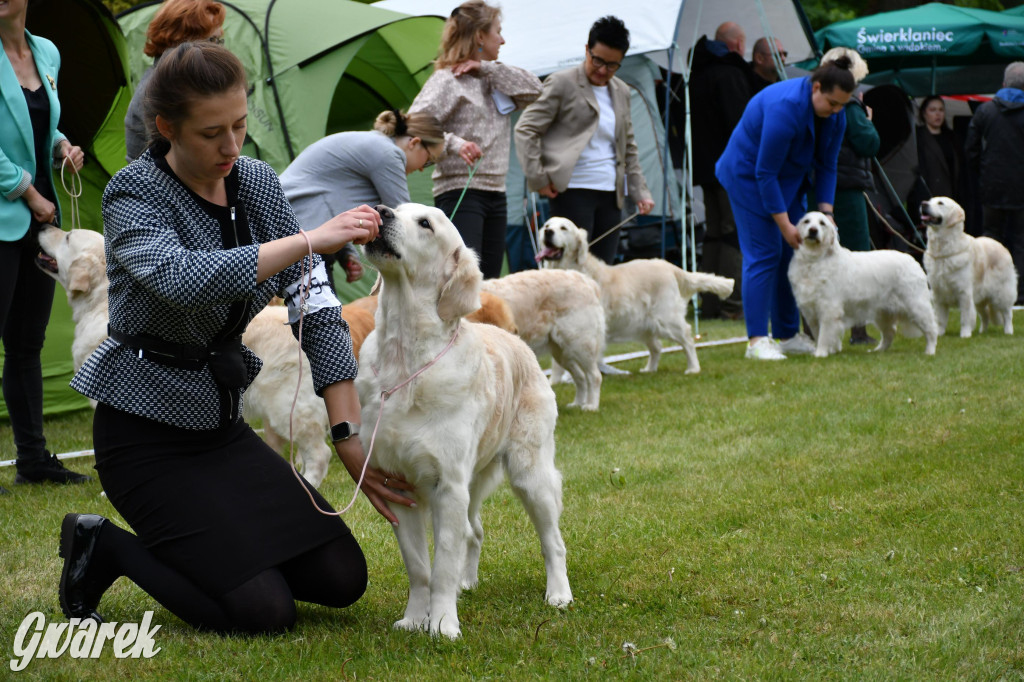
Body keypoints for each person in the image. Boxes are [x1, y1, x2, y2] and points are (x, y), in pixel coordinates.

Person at [58, 42, 415, 634]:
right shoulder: (131, 193)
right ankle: (107, 548)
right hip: (144, 441)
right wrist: (307, 241)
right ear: (166, 128)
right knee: (263, 612)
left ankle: (222, 548)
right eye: (211, 133)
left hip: (222, 432)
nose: (232, 147)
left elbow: (315, 305)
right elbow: (180, 279)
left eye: (241, 126)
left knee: (342, 578)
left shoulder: (255, 181)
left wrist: (348, 435)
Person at [1, 0, 89, 489]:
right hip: (12, 211)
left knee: (27, 345)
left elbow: (38, 123)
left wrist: (61, 146)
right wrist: (29, 191)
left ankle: (33, 460)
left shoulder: (46, 52)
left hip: (38, 218)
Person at [716, 57, 855, 360]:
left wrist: (827, 214)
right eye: (832, 103)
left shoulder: (837, 113)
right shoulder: (785, 107)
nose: (836, 111)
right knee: (765, 252)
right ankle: (756, 340)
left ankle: (788, 334)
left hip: (790, 179)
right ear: (816, 87)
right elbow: (764, 173)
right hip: (748, 177)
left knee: (792, 253)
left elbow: (828, 165)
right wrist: (785, 225)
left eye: (842, 106)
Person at [409, 0, 541, 279]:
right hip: (460, 191)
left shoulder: (494, 78)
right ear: (480, 36)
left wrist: (486, 69)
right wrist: (456, 144)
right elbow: (414, 126)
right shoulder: (447, 80)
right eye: (498, 31)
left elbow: (535, 90)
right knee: (462, 278)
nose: (503, 40)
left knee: (489, 280)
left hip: (497, 192)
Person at [515, 16, 654, 266]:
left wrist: (640, 191)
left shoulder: (621, 90)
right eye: (597, 60)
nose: (602, 70)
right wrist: (539, 178)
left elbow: (628, 146)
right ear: (586, 50)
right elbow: (525, 129)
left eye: (612, 65)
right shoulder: (561, 82)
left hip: (612, 195)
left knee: (602, 271)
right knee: (570, 274)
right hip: (571, 192)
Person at [279, 110, 446, 290]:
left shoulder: (373, 144)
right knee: (319, 315)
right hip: (300, 229)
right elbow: (404, 217)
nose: (422, 169)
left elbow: (333, 197)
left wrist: (346, 254)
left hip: (291, 224)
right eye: (429, 160)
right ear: (415, 143)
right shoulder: (389, 153)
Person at [687, 21, 751, 317]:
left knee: (713, 231)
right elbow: (740, 124)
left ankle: (709, 302)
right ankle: (734, 303)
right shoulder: (730, 73)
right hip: (730, 166)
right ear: (736, 44)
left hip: (703, 165)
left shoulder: (695, 73)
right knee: (732, 232)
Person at [824, 48, 879, 346]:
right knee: (857, 259)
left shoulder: (817, 97)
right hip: (846, 191)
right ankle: (858, 330)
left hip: (821, 189)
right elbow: (869, 143)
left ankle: (815, 330)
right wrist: (868, 119)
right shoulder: (852, 106)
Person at [124, 0, 226, 162]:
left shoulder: (185, 79)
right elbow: (175, 166)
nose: (218, 50)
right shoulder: (163, 86)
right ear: (183, 39)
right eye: (211, 41)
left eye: (220, 42)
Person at [966, 62, 1024, 306]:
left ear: (1002, 84)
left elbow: (971, 150)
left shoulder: (985, 112)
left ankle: (986, 292)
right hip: (1021, 188)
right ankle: (1019, 295)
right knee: (1021, 241)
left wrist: (983, 173)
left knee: (990, 240)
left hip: (991, 186)